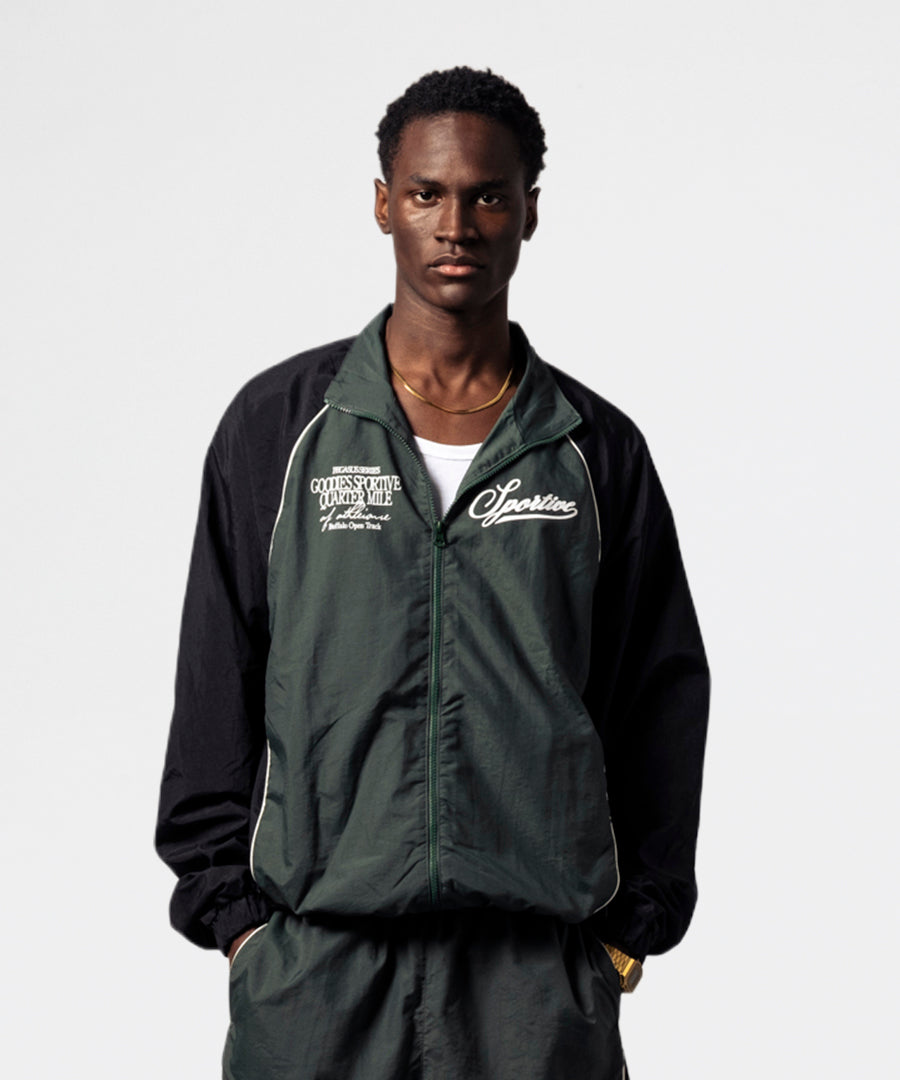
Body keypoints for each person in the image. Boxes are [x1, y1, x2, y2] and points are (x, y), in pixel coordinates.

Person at [156, 66, 710, 1080]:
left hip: (534, 983)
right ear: (384, 204)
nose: (456, 225)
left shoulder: (593, 450)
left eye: (487, 195)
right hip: (317, 976)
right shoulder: (281, 428)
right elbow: (215, 679)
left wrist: (630, 929)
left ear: (530, 210)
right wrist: (236, 922)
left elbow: (659, 693)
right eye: (426, 194)